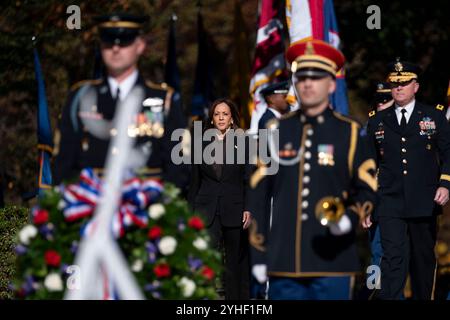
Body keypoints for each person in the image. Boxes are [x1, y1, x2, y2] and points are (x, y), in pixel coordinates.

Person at [249, 39, 377, 300]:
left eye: (317, 77)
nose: (307, 83)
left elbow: (367, 189)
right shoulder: (275, 131)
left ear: (331, 84)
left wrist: (348, 218)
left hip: (333, 262)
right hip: (284, 262)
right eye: (302, 76)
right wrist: (259, 253)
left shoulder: (351, 133)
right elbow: (258, 193)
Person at [53, 13, 187, 190]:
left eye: (125, 42)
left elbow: (179, 168)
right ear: (101, 46)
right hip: (88, 206)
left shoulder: (164, 100)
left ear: (140, 46)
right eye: (108, 42)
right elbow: (63, 163)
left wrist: (161, 209)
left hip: (147, 207)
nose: (115, 48)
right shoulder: (81, 96)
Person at [364, 58, 450, 300]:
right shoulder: (378, 121)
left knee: (422, 259)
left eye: (404, 83)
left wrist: (445, 183)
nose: (398, 88)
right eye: (395, 84)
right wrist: (367, 202)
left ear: (416, 86)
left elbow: (448, 152)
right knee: (392, 259)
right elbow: (368, 165)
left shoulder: (434, 116)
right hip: (389, 201)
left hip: (425, 201)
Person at [187, 98, 252, 300]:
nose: (221, 117)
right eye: (217, 114)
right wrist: (190, 212)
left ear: (232, 118)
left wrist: (248, 208)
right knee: (205, 260)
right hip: (206, 209)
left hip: (234, 208)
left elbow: (248, 179)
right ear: (212, 119)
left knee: (233, 263)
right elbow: (194, 181)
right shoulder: (200, 143)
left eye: (225, 114)